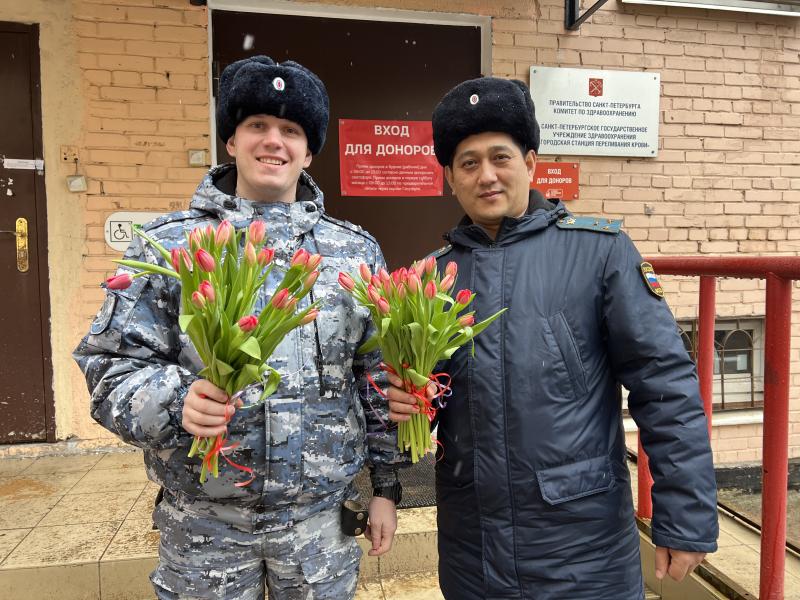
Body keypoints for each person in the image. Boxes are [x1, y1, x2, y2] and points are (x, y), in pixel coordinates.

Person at [74, 56, 407, 600]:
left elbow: (376, 379)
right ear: (231, 140)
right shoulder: (168, 246)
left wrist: (387, 487)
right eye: (257, 125)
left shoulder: (353, 251)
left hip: (317, 529)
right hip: (205, 527)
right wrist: (176, 400)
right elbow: (108, 367)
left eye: (291, 130)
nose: (273, 141)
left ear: (309, 150)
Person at [386, 76, 718, 599]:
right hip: (472, 549)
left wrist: (686, 518)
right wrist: (402, 403)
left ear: (531, 164)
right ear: (449, 177)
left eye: (501, 157)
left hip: (582, 551)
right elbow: (416, 401)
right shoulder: (430, 278)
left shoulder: (600, 254)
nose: (487, 175)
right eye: (468, 163)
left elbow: (666, 388)